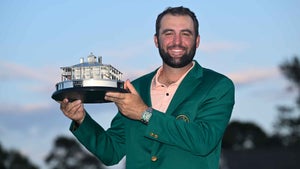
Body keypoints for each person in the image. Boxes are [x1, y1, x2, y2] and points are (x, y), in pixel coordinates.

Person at [60, 6, 235, 169]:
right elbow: (111, 152)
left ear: (197, 41)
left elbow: (203, 141)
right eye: (168, 33)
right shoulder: (136, 88)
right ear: (156, 40)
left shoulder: (217, 85)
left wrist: (144, 114)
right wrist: (81, 120)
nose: (177, 41)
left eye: (186, 34)